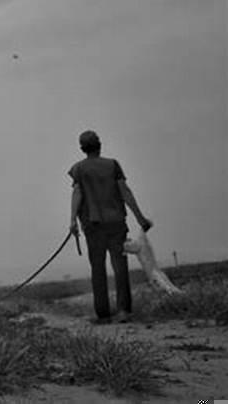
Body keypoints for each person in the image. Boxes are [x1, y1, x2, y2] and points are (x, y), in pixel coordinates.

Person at [68, 130, 153, 324]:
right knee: (120, 267)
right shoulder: (112, 165)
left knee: (97, 268)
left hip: (93, 225)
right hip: (116, 224)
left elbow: (77, 194)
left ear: (82, 149)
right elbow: (125, 192)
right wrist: (140, 218)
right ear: (99, 145)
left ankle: (103, 315)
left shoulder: (78, 169)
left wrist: (72, 221)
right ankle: (124, 311)